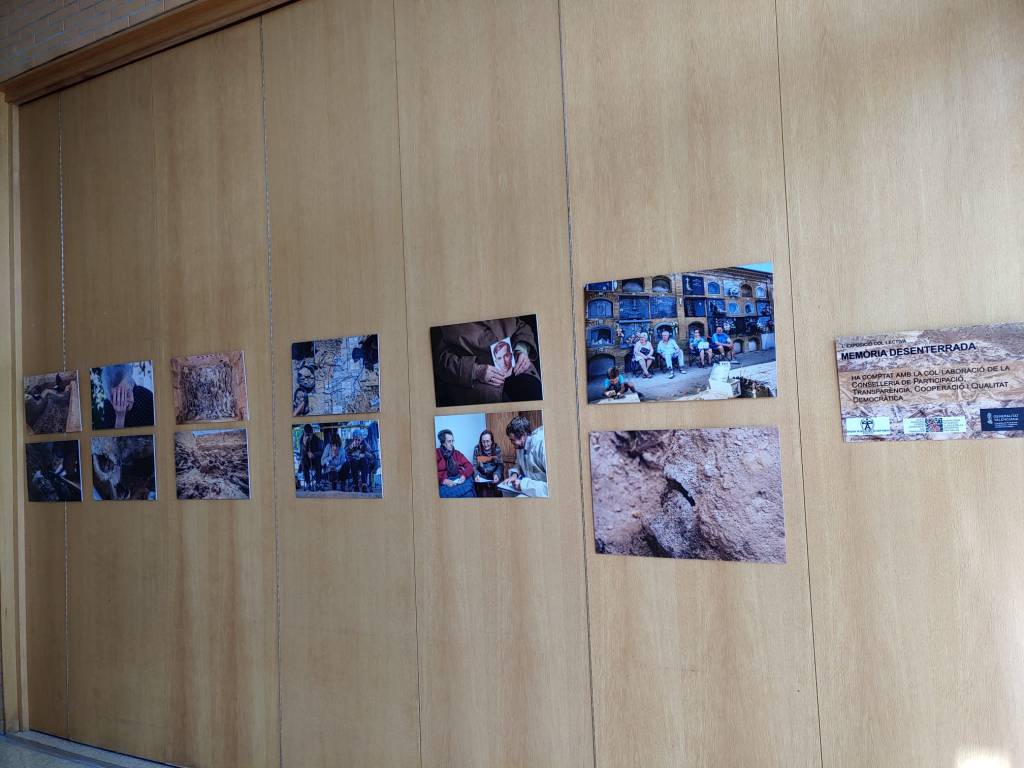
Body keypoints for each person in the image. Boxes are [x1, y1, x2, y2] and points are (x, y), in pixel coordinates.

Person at [432, 317, 542, 405]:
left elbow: (521, 326)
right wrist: (475, 371)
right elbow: (440, 361)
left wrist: (522, 349)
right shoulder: (442, 321)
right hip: (480, 381)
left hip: (518, 365)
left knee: (536, 394)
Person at [94, 364, 155, 429]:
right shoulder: (108, 406)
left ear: (132, 384)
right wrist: (120, 418)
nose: (124, 403)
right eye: (117, 397)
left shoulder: (148, 399)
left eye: (127, 394)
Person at [504, 416, 547, 497]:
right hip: (530, 491)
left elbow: (552, 488)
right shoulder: (520, 446)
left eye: (512, 440)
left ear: (523, 436)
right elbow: (519, 464)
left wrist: (523, 485)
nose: (512, 443)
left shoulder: (543, 447)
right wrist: (514, 475)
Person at [436, 429, 476, 498]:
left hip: (458, 479)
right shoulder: (436, 453)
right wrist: (443, 480)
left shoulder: (457, 453)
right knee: (442, 493)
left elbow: (469, 466)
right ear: (443, 442)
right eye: (449, 441)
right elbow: (429, 472)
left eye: (452, 441)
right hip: (445, 482)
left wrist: (464, 476)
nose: (452, 444)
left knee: (469, 491)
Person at [472, 429, 503, 497]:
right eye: (483, 442)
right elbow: (474, 465)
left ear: (492, 441)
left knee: (497, 493)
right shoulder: (477, 449)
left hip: (494, 475)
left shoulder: (497, 448)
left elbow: (500, 465)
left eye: (487, 441)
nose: (485, 444)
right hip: (482, 476)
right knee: (483, 494)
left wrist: (497, 474)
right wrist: (476, 475)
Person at [298, 424, 323, 490]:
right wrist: (304, 444)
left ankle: (318, 483)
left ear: (312, 432)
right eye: (307, 435)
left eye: (310, 435)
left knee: (319, 460)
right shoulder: (302, 439)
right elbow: (301, 453)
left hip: (315, 460)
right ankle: (308, 483)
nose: (308, 436)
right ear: (304, 433)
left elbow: (321, 451)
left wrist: (313, 454)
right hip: (306, 460)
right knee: (303, 460)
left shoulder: (317, 438)